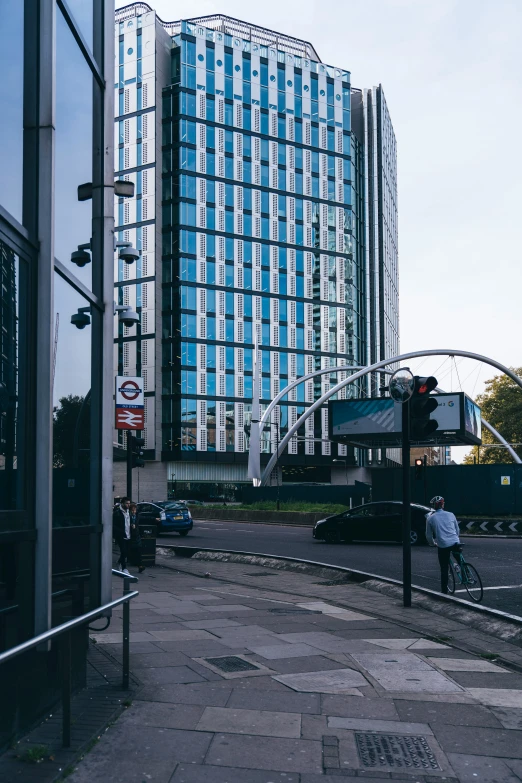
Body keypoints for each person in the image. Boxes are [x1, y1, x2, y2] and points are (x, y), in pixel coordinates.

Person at [426, 496, 461, 594]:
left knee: (444, 568)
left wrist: (433, 543)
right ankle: (465, 572)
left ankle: (444, 592)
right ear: (442, 504)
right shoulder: (451, 514)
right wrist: (455, 538)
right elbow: (457, 530)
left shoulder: (430, 518)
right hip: (455, 541)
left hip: (443, 545)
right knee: (458, 557)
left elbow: (429, 536)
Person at [113, 496, 131, 574]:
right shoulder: (117, 513)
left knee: (127, 552)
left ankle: (120, 561)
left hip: (129, 535)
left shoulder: (129, 512)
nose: (128, 505)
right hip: (121, 535)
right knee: (123, 551)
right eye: (127, 503)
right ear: (122, 504)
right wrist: (119, 532)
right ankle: (124, 568)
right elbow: (113, 525)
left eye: (129, 503)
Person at [130, 503, 145, 574]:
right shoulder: (128, 517)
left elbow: (145, 518)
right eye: (132, 511)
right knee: (129, 551)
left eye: (134, 510)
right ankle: (122, 564)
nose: (133, 512)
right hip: (129, 537)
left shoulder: (137, 516)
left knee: (138, 551)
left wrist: (155, 519)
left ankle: (140, 566)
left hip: (136, 536)